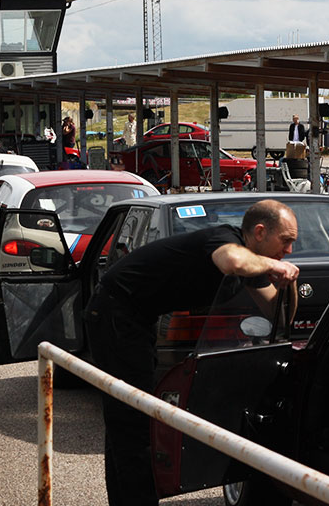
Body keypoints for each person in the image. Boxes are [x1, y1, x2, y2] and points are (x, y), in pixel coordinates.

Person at [85, 199, 300, 505]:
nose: (289, 251)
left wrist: (288, 281)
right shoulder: (225, 239)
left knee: (129, 420)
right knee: (133, 422)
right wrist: (275, 265)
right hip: (115, 311)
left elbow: (279, 318)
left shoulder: (257, 262)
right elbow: (232, 263)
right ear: (261, 232)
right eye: (286, 241)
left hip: (137, 318)